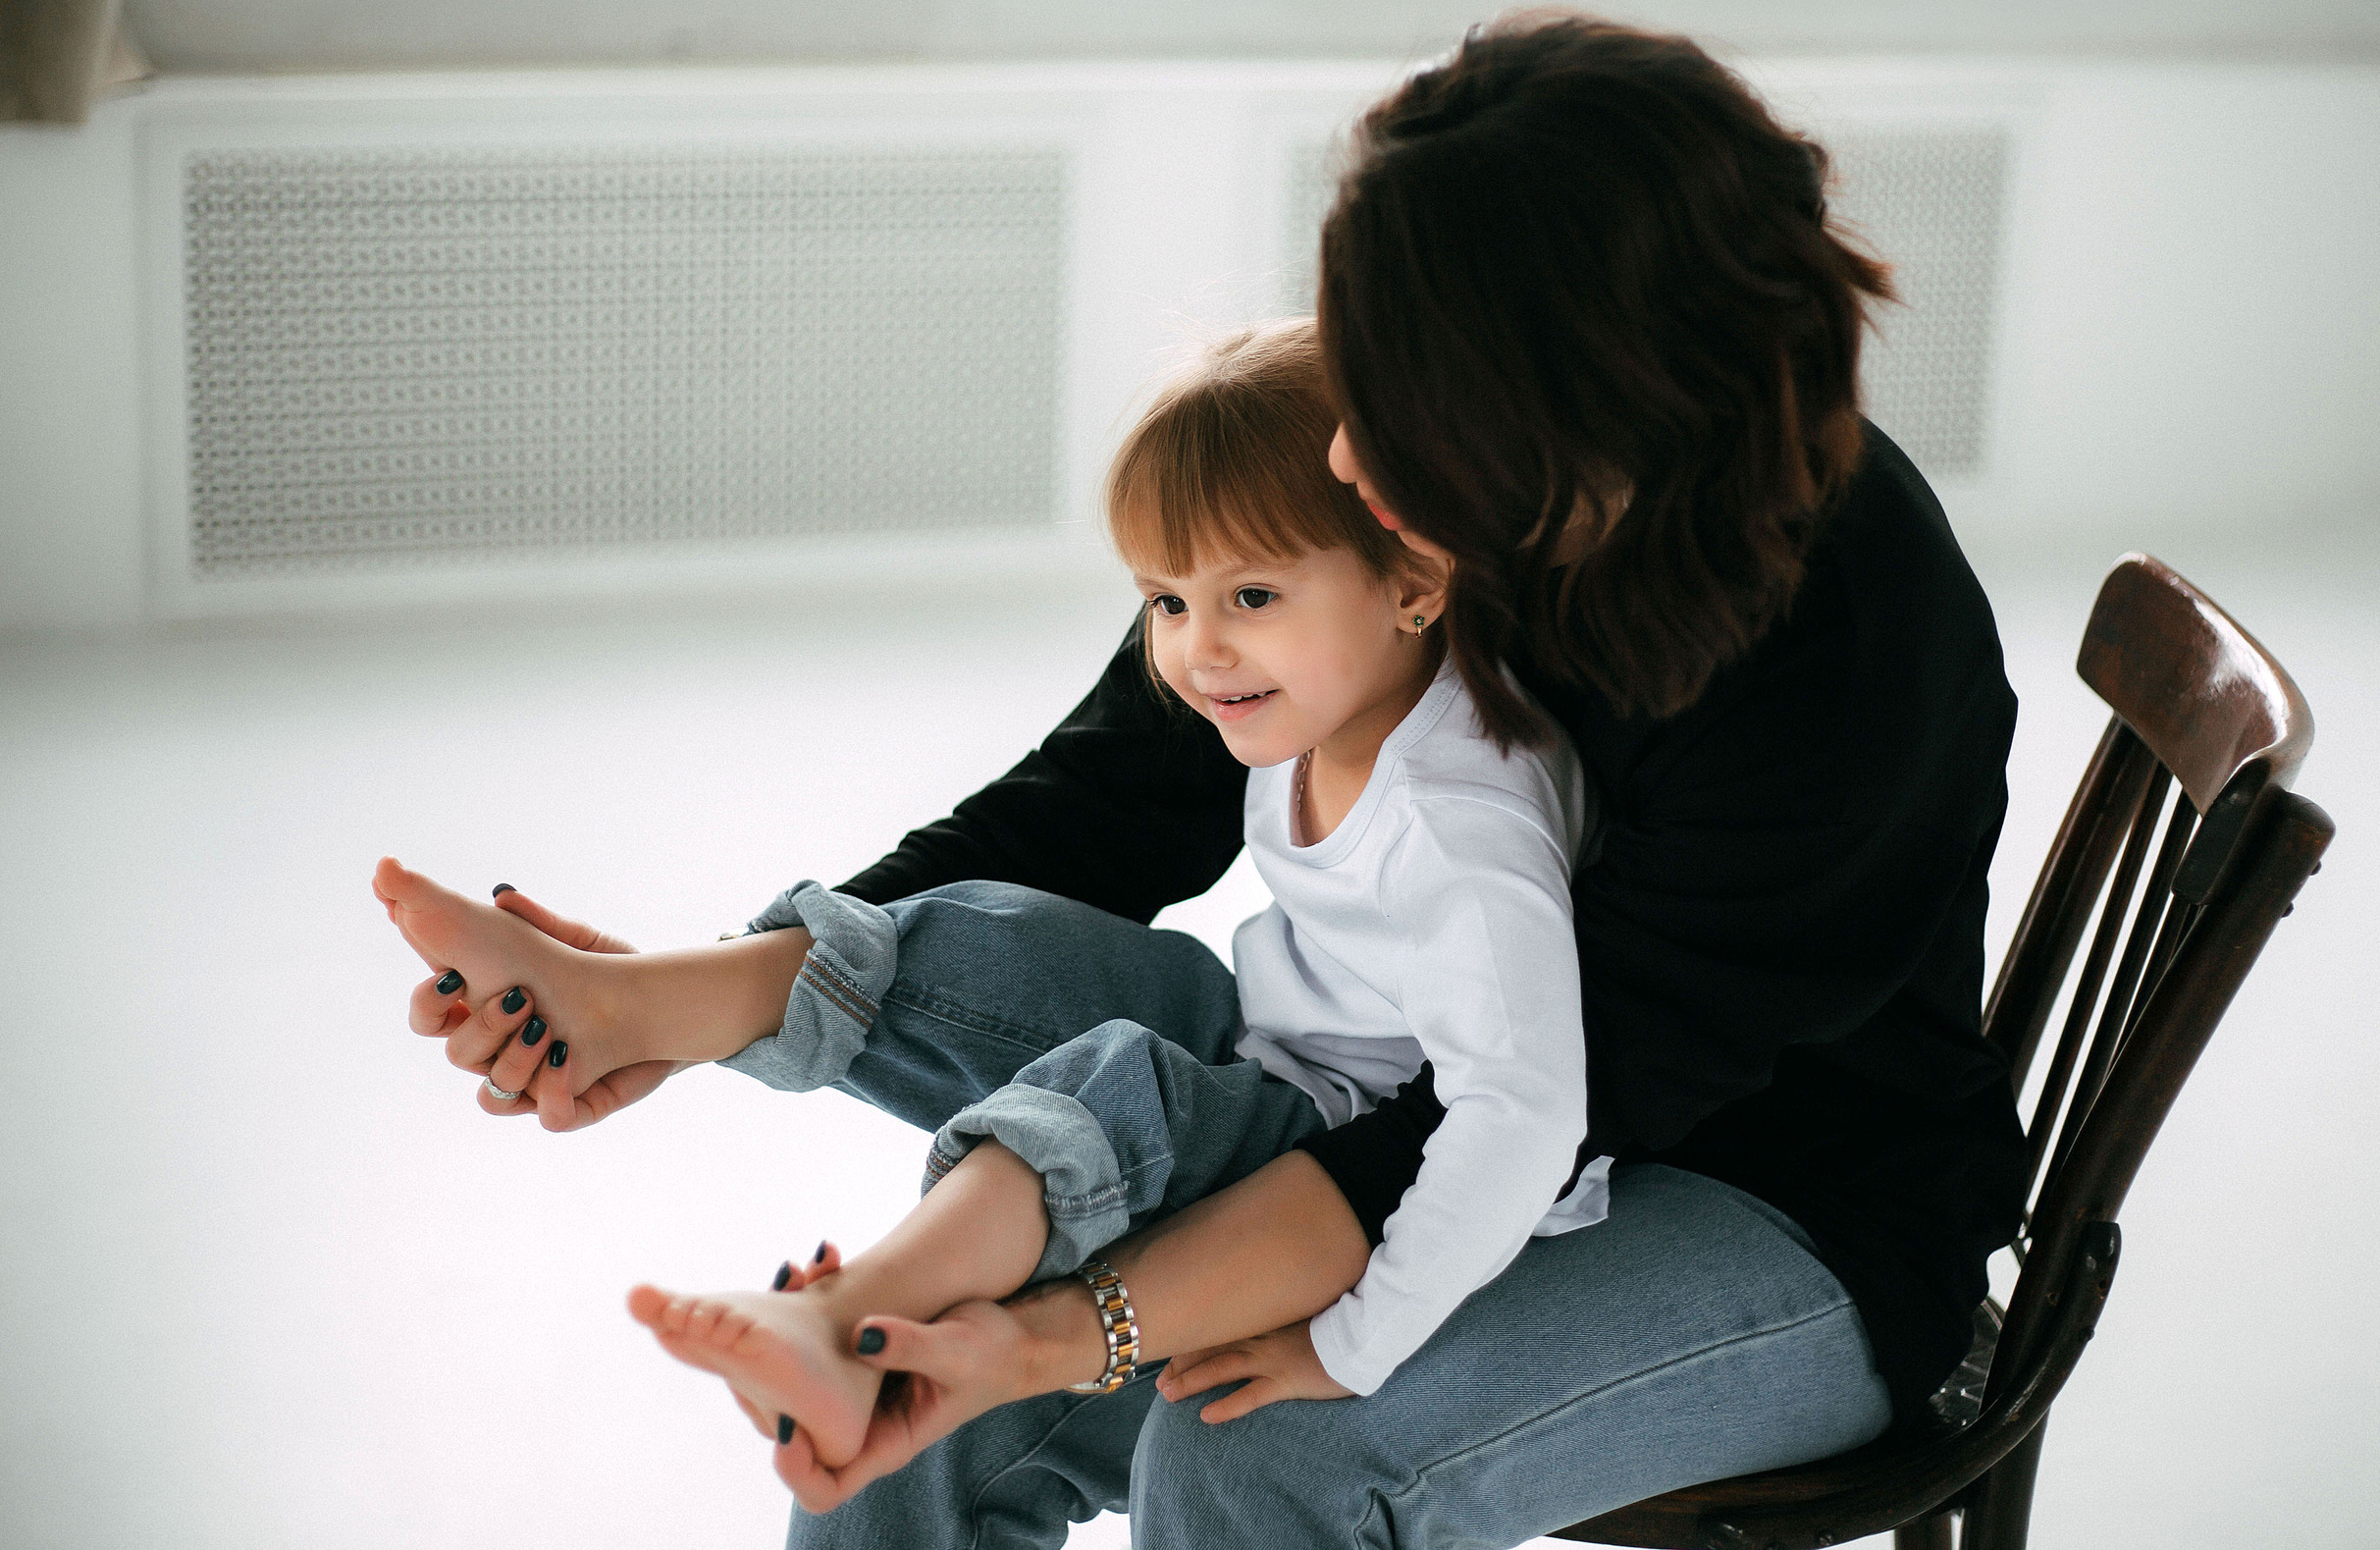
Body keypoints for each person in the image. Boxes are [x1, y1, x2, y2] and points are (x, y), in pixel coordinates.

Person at [400, 12, 2032, 1548]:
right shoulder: (1452, 461)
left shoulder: (1848, 658)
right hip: (1406, 1075)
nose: (1347, 448)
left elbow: (1522, 1115)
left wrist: (1069, 1329)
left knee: (1246, 1438)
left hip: (1769, 1202)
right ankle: (669, 1003)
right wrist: (702, 1004)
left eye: (1398, 396)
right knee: (962, 1209)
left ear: (1569, 401)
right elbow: (1118, 792)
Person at [378, 317, 1610, 1470]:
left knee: (1111, 1080)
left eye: (1251, 595)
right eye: (1167, 601)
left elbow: (1522, 1111)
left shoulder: (1459, 826)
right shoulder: (1323, 698)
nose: (1199, 650)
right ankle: (635, 1001)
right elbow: (1076, 812)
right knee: (985, 927)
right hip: (1283, 1050)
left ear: (1414, 581)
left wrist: (1357, 1338)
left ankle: (853, 1315)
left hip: (1364, 1144)